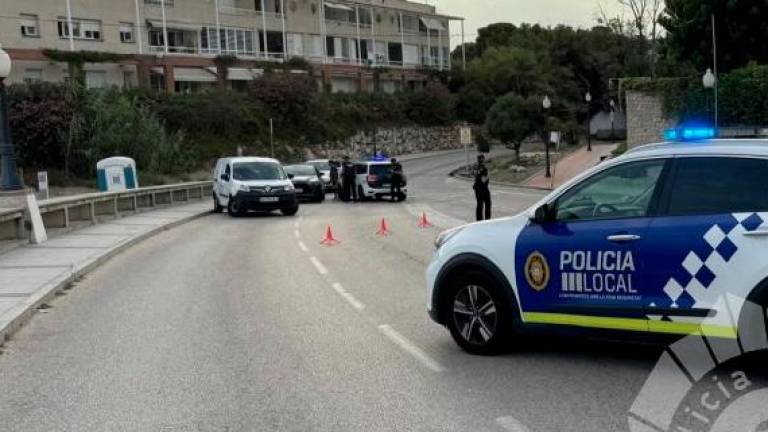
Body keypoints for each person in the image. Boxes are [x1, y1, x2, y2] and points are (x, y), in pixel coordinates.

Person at [473, 154, 491, 221]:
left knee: (479, 204)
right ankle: (487, 219)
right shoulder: (483, 168)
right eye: (483, 158)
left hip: (477, 188)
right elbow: (484, 180)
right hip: (483, 188)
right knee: (487, 203)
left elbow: (475, 175)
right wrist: (488, 176)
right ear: (483, 159)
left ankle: (479, 220)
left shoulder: (475, 166)